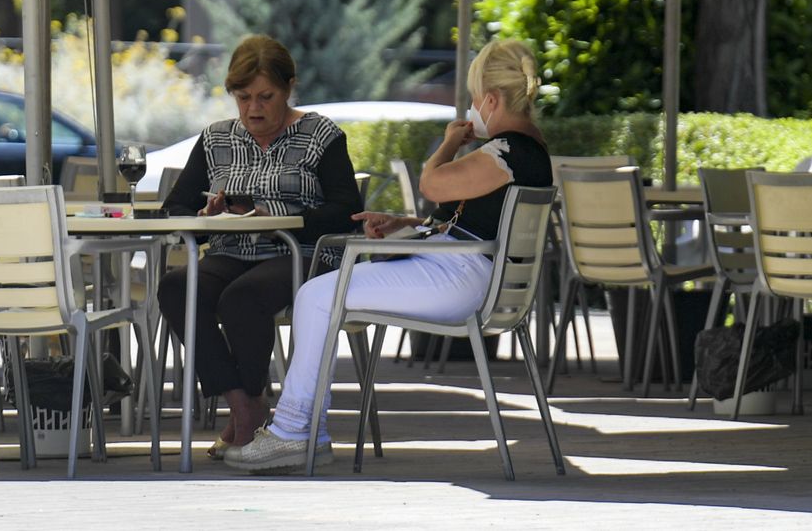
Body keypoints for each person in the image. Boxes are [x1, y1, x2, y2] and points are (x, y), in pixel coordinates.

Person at [226, 38, 551, 472]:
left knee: (317, 296)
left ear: (491, 100)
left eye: (475, 100)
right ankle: (303, 432)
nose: (473, 109)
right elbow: (473, 223)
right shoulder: (530, 153)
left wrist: (449, 143)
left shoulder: (506, 152)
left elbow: (432, 184)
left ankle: (294, 431)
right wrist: (406, 223)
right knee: (322, 294)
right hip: (469, 270)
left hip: (462, 277)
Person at [158, 34, 362, 459]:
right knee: (176, 287)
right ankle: (245, 405)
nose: (254, 108)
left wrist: (279, 216)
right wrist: (207, 214)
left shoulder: (320, 134)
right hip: (231, 251)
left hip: (300, 254)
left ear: (289, 88)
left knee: (242, 298)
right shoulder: (216, 138)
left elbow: (347, 209)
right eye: (243, 97)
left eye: (266, 97)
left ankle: (246, 411)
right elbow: (174, 208)